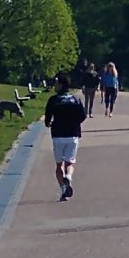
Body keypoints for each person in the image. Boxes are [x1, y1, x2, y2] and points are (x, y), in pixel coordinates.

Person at [44, 72, 87, 201]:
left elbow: (47, 119)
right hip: (72, 134)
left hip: (58, 135)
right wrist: (74, 123)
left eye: (56, 83)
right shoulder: (75, 99)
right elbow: (82, 116)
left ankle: (63, 189)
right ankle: (68, 177)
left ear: (61, 84)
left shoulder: (53, 100)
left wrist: (50, 123)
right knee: (70, 162)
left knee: (58, 165)